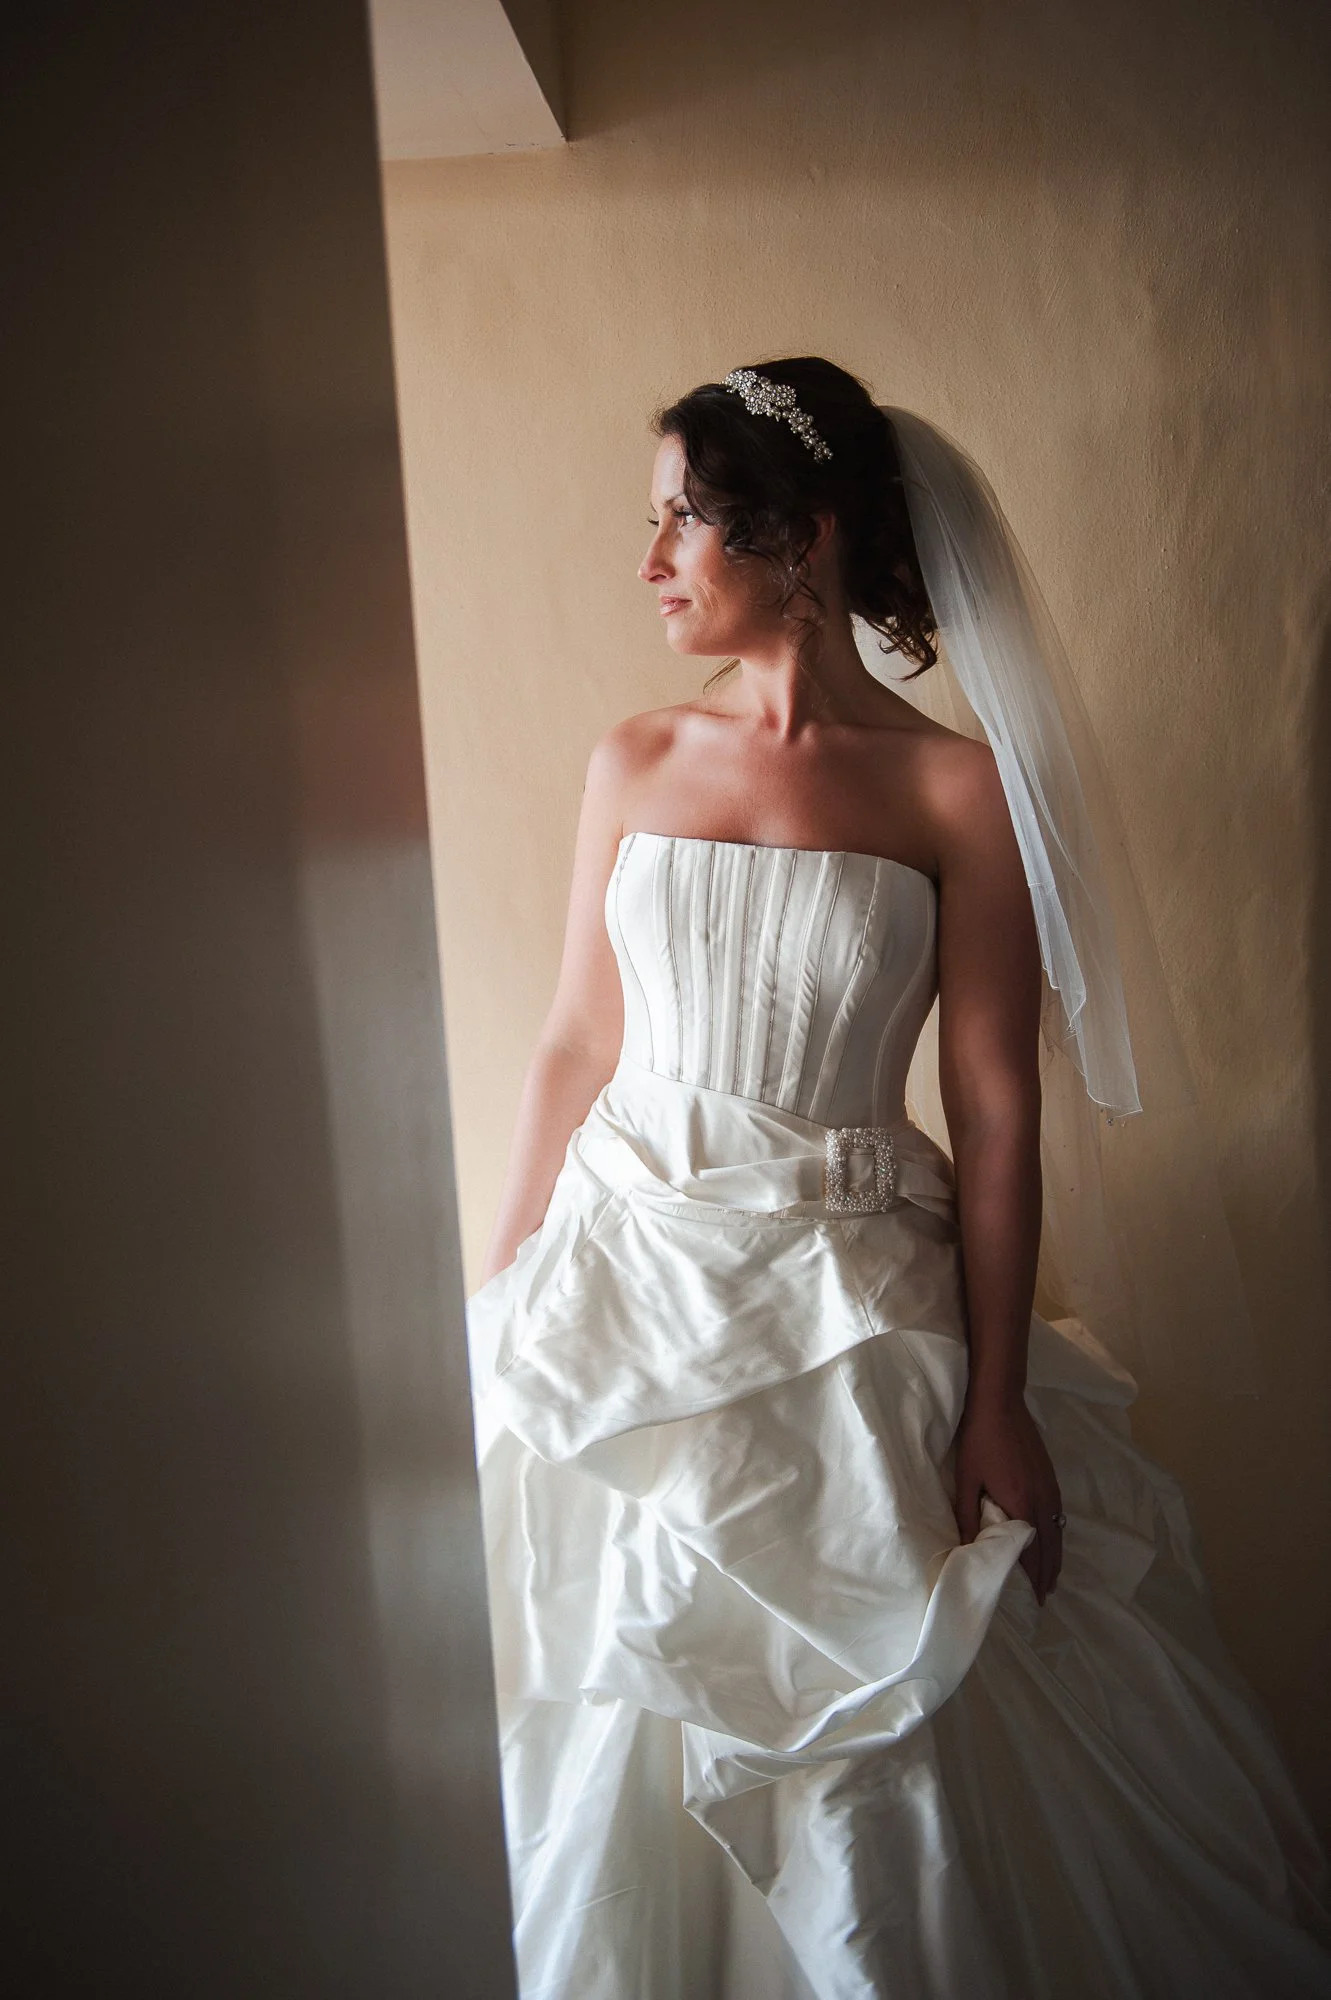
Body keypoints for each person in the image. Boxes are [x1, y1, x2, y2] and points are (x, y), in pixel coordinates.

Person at [464, 358, 1331, 1999]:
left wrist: (994, 1396)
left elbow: (993, 1113)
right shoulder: (632, 759)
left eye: (680, 523)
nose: (649, 563)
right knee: (599, 1686)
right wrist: (504, 1288)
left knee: (896, 1727)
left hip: (850, 1300)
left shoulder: (957, 788)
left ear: (797, 537)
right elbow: (574, 1044)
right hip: (622, 1279)